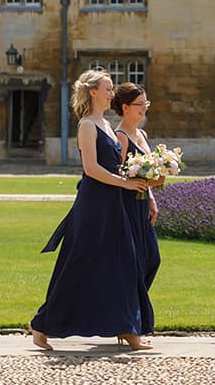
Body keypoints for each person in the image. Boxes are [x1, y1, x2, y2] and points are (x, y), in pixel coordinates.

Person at [29, 71, 156, 352]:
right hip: (93, 205)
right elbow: (91, 169)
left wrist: (144, 181)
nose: (112, 93)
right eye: (108, 89)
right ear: (93, 93)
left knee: (123, 265)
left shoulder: (108, 126)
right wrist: (125, 181)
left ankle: (128, 329)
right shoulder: (87, 125)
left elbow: (117, 165)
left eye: (111, 89)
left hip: (113, 203)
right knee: (78, 265)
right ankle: (41, 325)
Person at [114, 80, 163, 338]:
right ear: (125, 108)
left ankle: (127, 315)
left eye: (146, 104)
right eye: (140, 104)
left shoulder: (141, 135)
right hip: (126, 206)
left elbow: (146, 174)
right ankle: (129, 323)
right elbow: (118, 176)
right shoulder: (120, 137)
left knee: (151, 260)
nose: (144, 108)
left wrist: (151, 196)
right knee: (133, 264)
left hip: (142, 203)